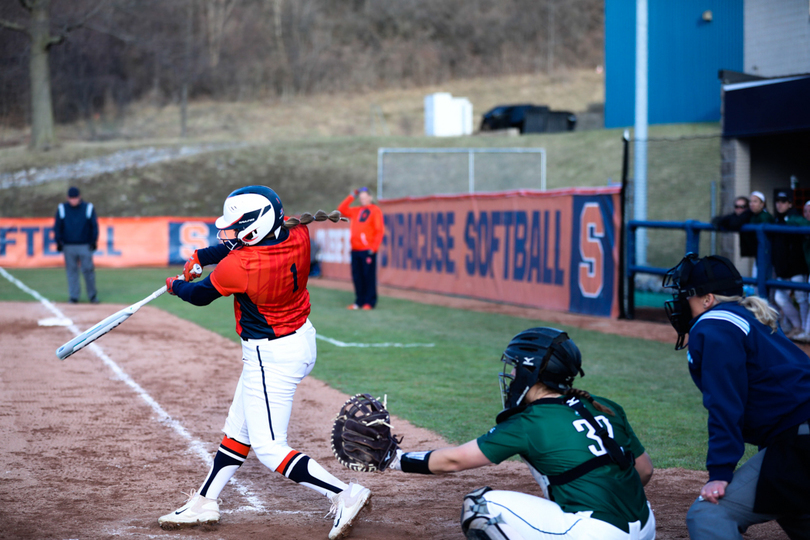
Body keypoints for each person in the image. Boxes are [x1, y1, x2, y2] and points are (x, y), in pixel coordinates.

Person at [158, 186, 370, 540]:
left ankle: (345, 494)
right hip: (298, 338)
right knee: (237, 429)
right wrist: (201, 254)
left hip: (271, 357)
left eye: (236, 225)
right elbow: (239, 244)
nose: (229, 232)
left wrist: (177, 285)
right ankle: (205, 501)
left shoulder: (241, 265)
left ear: (254, 227)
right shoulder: (296, 232)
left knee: (270, 448)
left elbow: (199, 295)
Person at [389, 327, 655, 540]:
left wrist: (394, 459)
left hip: (595, 532)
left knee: (480, 507)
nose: (512, 373)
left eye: (516, 366)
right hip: (645, 527)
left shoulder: (528, 422)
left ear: (532, 372)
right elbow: (644, 471)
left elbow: (454, 460)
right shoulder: (605, 405)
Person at [662, 253, 810, 539]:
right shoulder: (751, 316)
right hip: (796, 440)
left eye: (687, 296)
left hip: (799, 443)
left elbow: (725, 404)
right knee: (791, 506)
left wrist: (720, 471)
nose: (682, 303)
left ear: (707, 299)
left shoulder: (713, 325)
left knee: (708, 514)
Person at [337, 187, 384, 310]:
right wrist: (352, 195)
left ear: (370, 197)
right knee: (357, 277)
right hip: (355, 250)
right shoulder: (356, 210)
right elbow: (341, 209)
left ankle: (369, 302)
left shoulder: (375, 210)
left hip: (368, 250)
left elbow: (379, 231)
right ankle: (359, 301)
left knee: (368, 276)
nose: (362, 199)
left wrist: (373, 248)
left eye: (365, 197)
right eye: (361, 197)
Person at [771, 189, 808, 337]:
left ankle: (805, 329)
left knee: (801, 297)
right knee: (780, 297)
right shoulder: (776, 220)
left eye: (783, 202)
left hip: (797, 265)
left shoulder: (795, 218)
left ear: (790, 204)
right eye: (778, 202)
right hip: (783, 267)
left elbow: (803, 224)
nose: (780, 205)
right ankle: (797, 326)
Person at [53, 186, 99, 304]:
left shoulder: (88, 207)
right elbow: (58, 226)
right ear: (68, 198)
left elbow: (94, 226)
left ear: (79, 197)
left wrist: (93, 241)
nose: (73, 200)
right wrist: (58, 241)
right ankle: (74, 297)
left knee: (88, 270)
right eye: (71, 198)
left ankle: (92, 296)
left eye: (75, 198)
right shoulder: (62, 208)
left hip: (84, 245)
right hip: (68, 245)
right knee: (71, 271)